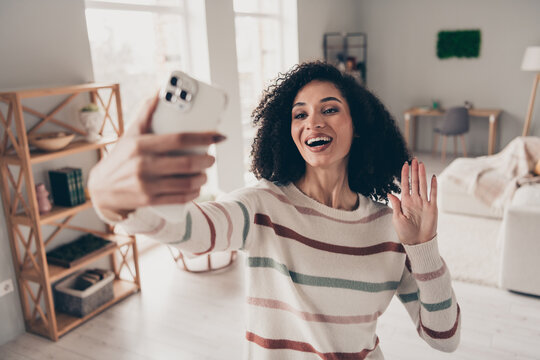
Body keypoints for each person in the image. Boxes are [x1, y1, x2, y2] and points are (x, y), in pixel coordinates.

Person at [88, 61, 460, 359]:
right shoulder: (262, 206)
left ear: (357, 126)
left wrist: (424, 245)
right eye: (300, 115)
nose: (313, 122)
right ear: (288, 132)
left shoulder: (389, 227)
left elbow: (444, 338)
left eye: (329, 109)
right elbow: (192, 232)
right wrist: (112, 199)